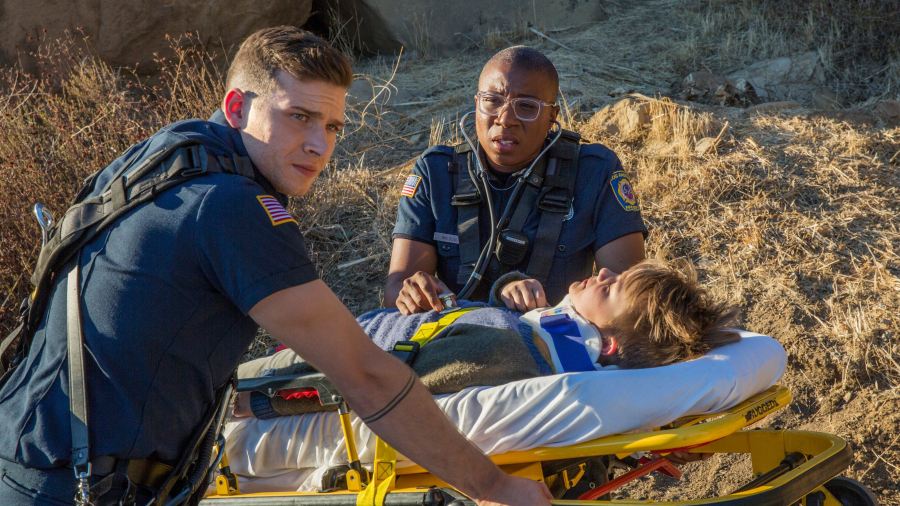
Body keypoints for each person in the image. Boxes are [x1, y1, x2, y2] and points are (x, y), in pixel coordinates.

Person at [0, 27, 551, 506]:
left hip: (35, 460)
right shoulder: (229, 206)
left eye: (332, 126)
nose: (318, 145)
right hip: (69, 486)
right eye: (299, 117)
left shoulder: (160, 163)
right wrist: (493, 486)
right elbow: (365, 376)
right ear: (237, 107)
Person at [236, 259, 742, 419]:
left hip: (300, 367)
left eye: (611, 288)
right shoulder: (530, 337)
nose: (604, 271)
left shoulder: (508, 351)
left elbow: (374, 382)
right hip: (342, 339)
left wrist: (254, 400)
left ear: (606, 344)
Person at [386, 46, 647, 315]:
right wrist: (413, 293)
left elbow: (629, 298)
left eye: (526, 106)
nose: (505, 119)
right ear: (476, 104)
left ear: (552, 117)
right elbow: (395, 291)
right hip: (456, 332)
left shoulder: (593, 173)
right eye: (492, 100)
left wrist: (549, 310)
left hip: (557, 334)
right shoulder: (436, 172)